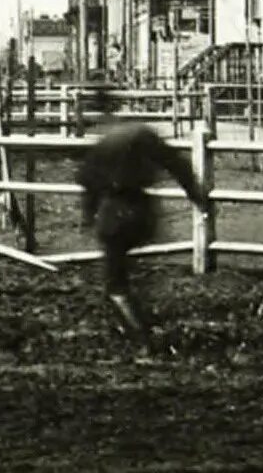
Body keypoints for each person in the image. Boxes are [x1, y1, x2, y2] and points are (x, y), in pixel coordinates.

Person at [74, 86, 207, 345]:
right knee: (131, 271)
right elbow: (176, 163)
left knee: (115, 284)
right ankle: (140, 317)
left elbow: (89, 186)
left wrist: (88, 217)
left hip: (115, 213)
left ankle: (142, 338)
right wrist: (196, 195)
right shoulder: (140, 133)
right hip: (144, 210)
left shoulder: (101, 146)